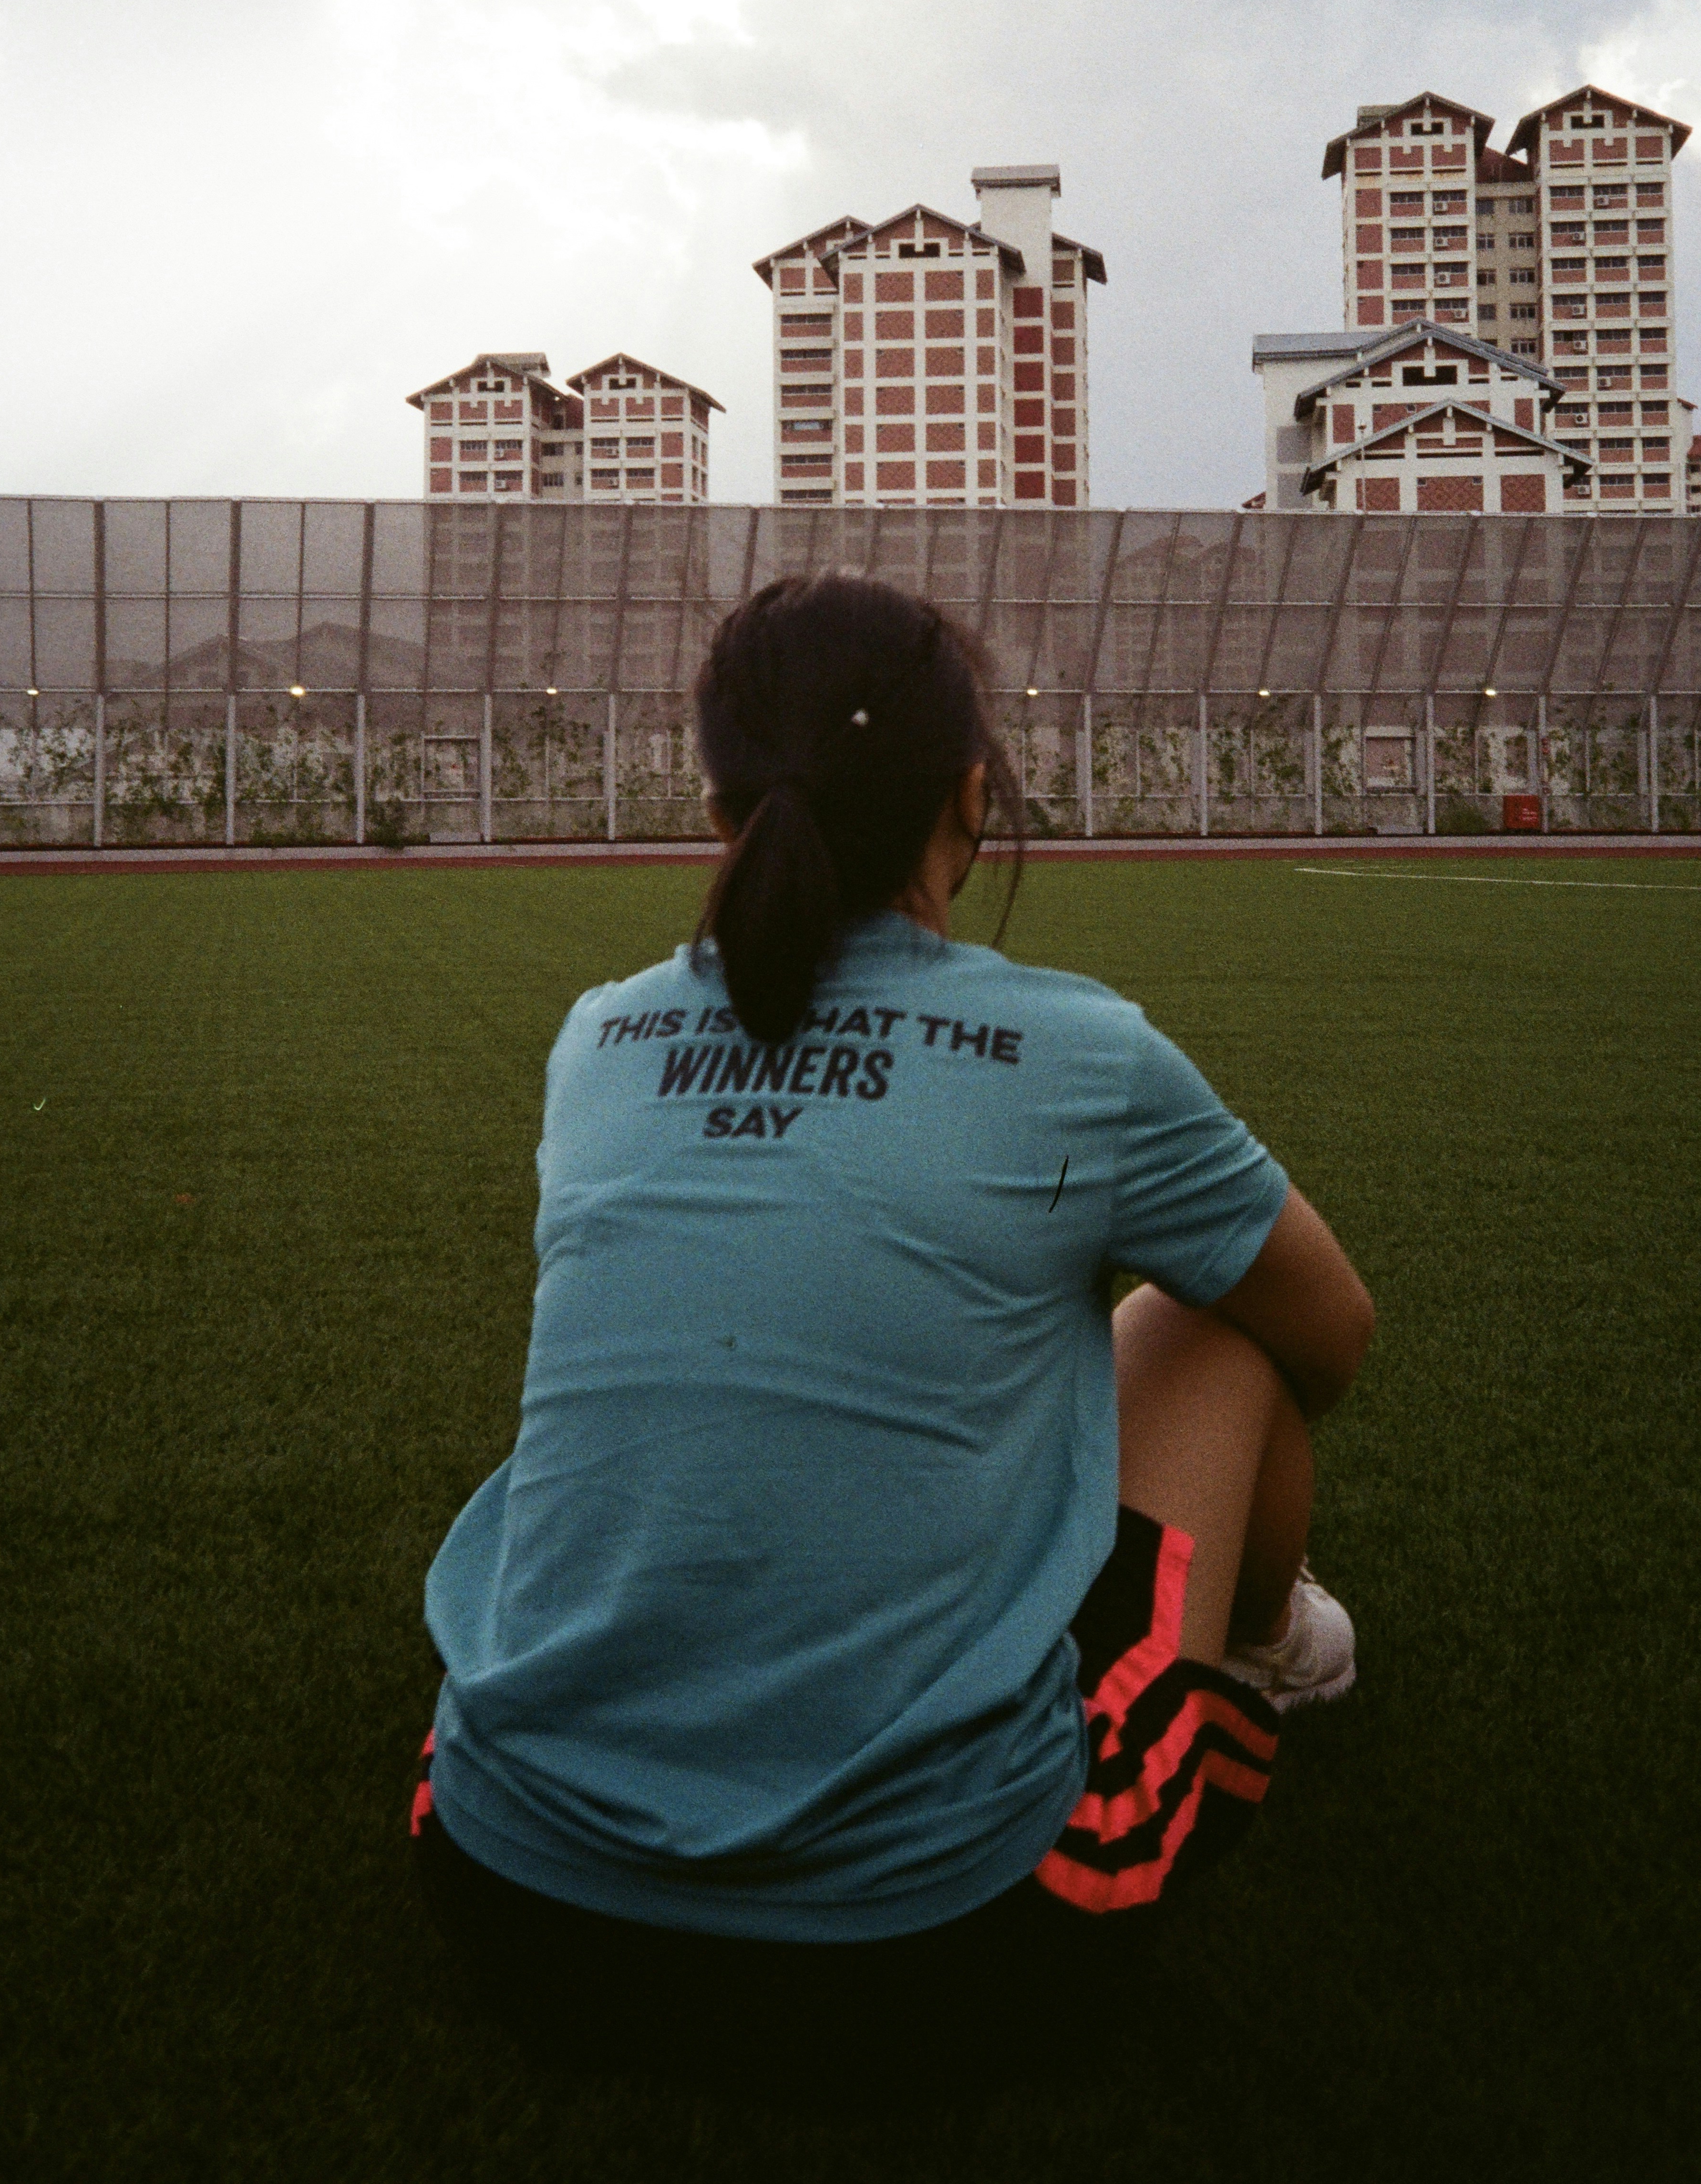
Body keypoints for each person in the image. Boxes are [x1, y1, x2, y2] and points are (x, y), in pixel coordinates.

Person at [414, 574, 1374, 2102]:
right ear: (972, 796)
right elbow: (1328, 1332)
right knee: (1220, 1330)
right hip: (944, 1951)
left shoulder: (597, 1036)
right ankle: (1266, 1652)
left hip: (509, 1898)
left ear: (717, 809)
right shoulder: (1080, 1051)